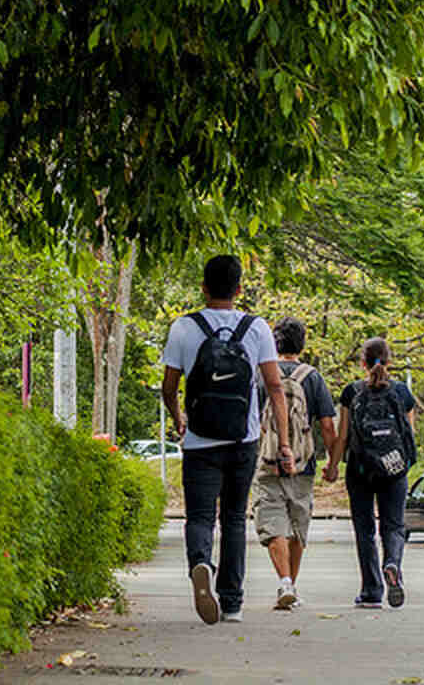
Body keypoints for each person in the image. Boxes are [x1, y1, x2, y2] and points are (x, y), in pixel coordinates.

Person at [161, 255, 288, 625]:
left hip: (200, 441)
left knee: (200, 515)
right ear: (239, 289)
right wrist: (282, 442)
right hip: (242, 440)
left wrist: (179, 420)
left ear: (203, 287)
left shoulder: (184, 328)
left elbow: (169, 388)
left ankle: (201, 561)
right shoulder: (257, 328)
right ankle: (231, 602)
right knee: (234, 517)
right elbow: (275, 387)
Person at [252, 318, 338, 611]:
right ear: (302, 344)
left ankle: (285, 582)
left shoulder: (263, 374)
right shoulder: (312, 377)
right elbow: (327, 425)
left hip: (267, 462)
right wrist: (332, 462)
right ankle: (291, 586)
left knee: (272, 520)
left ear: (275, 344)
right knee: (298, 525)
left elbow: (252, 420)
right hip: (303, 465)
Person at [335, 337, 417, 609]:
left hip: (360, 468)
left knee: (365, 528)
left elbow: (343, 435)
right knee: (393, 525)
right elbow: (409, 436)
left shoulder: (351, 392)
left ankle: (371, 590)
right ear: (390, 361)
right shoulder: (402, 393)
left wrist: (333, 465)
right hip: (394, 468)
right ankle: (392, 564)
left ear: (362, 362)